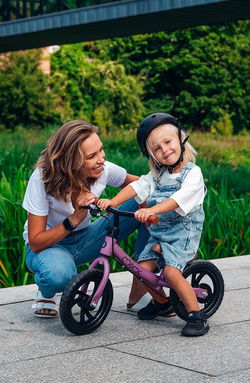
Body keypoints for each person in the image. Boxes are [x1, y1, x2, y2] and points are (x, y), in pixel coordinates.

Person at [22, 120, 148, 318]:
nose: (102, 159)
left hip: (87, 239)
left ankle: (143, 285)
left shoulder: (102, 170)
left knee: (155, 197)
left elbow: (145, 183)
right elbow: (36, 242)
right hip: (49, 247)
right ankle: (46, 292)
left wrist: (115, 203)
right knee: (59, 276)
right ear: (70, 161)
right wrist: (74, 218)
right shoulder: (42, 179)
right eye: (91, 156)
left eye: (101, 150)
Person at [98, 112, 208, 337]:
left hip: (183, 233)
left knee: (171, 273)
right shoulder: (156, 175)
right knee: (141, 270)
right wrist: (113, 201)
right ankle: (163, 302)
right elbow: (137, 187)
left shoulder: (192, 174)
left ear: (181, 139)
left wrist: (151, 210)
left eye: (168, 142)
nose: (164, 150)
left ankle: (196, 315)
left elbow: (178, 199)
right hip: (160, 233)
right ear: (152, 155)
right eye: (157, 148)